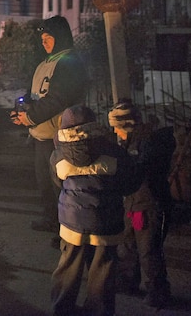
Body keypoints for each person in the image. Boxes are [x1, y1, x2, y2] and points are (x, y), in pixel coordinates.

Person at [50, 105, 141, 316]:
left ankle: (62, 310)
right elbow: (129, 184)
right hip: (106, 221)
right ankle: (98, 311)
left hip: (72, 220)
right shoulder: (113, 151)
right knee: (103, 270)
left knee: (68, 267)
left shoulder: (58, 155)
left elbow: (56, 182)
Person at [10, 15, 88, 234]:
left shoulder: (69, 63)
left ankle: (65, 232)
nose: (44, 42)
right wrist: (22, 111)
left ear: (60, 37)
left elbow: (57, 99)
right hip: (41, 136)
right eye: (42, 38)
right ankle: (51, 221)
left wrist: (30, 117)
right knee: (45, 184)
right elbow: (36, 94)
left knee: (61, 188)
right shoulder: (46, 63)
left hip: (60, 137)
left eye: (49, 37)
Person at [108, 100, 175, 308]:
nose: (116, 133)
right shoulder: (130, 143)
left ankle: (158, 290)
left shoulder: (148, 143)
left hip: (149, 205)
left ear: (127, 124)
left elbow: (143, 173)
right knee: (127, 245)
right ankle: (127, 281)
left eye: (117, 128)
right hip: (133, 204)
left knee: (148, 250)